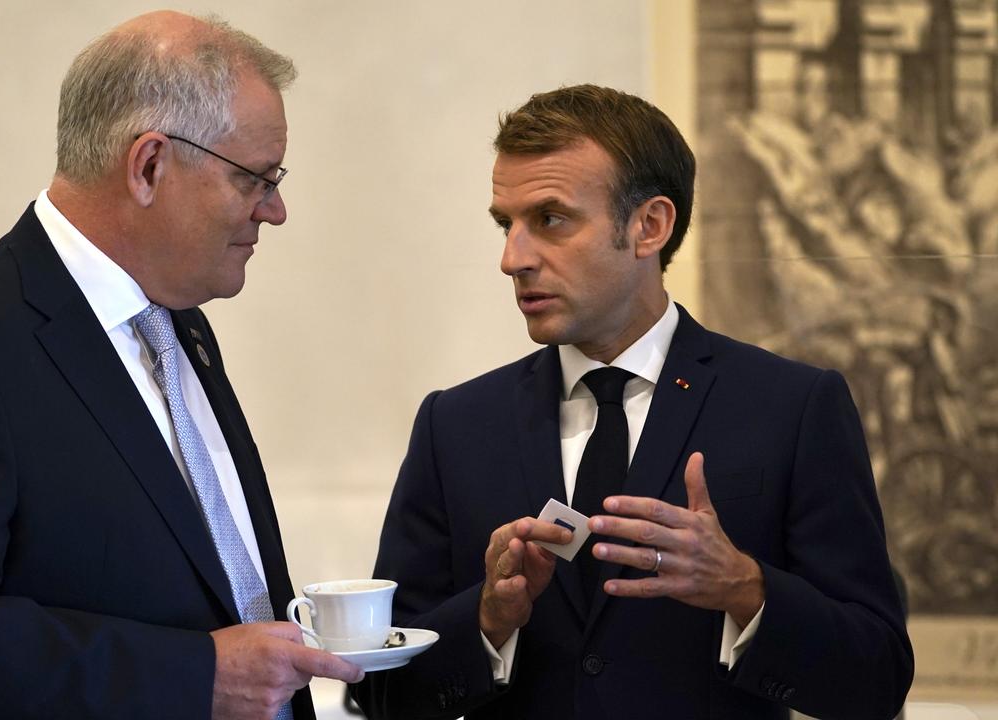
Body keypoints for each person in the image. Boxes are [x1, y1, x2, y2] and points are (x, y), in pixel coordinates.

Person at [0, 12, 362, 720]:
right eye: (254, 180)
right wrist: (195, 675)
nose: (274, 210)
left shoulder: (183, 326)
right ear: (149, 166)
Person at [352, 85, 912, 719]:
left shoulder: (793, 407)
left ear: (649, 227)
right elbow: (380, 692)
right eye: (505, 224)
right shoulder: (455, 426)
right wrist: (487, 618)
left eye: (551, 219)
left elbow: (876, 678)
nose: (513, 258)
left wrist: (746, 590)